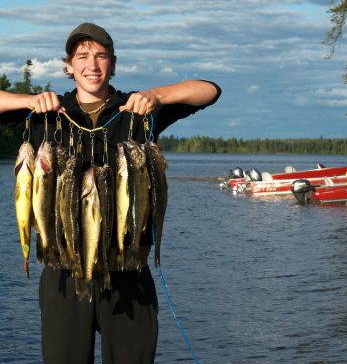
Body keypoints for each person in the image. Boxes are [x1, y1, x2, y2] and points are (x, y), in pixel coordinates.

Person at [0, 22, 221, 364]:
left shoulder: (136, 110)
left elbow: (209, 90)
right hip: (63, 273)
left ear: (113, 63)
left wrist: (157, 95)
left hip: (129, 270)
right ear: (69, 65)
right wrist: (28, 99)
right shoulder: (45, 113)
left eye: (101, 56)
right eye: (82, 56)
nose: (92, 64)